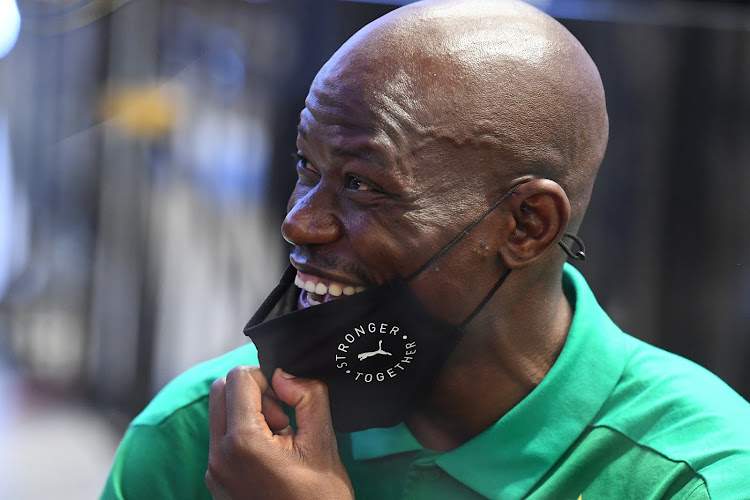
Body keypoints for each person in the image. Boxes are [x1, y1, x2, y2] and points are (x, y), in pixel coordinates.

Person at [101, 0, 750, 498]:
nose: (300, 223)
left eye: (362, 184)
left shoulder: (692, 472)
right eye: (306, 167)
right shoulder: (212, 436)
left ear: (526, 225)